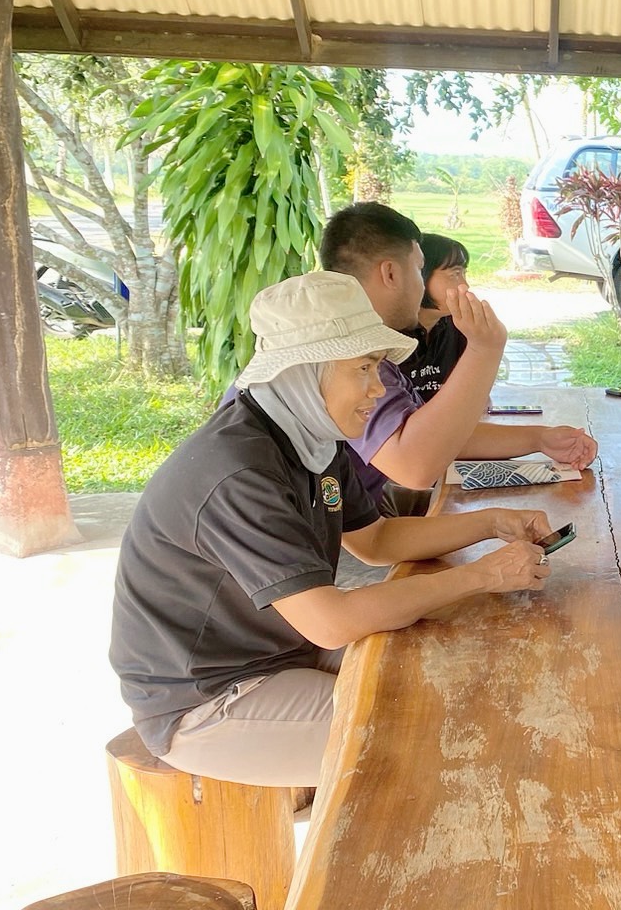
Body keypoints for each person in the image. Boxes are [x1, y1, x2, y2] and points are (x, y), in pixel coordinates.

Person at [112, 274, 556, 788]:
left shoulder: (310, 438)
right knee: (440, 732)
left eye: (378, 367)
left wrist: (491, 523)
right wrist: (481, 576)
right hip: (209, 698)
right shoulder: (239, 472)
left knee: (455, 664)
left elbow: (376, 541)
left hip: (282, 650)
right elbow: (331, 622)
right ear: (301, 371)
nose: (378, 388)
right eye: (363, 369)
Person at [315, 203, 596, 516]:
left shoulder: (374, 346)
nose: (421, 285)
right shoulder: (348, 355)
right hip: (340, 537)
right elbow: (415, 466)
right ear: (391, 273)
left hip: (365, 525)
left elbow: (436, 436)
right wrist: (484, 350)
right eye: (418, 270)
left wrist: (540, 438)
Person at [402, 233, 471, 402]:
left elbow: (473, 395)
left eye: (464, 274)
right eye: (454, 274)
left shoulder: (460, 326)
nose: (465, 285)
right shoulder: (388, 335)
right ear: (420, 275)